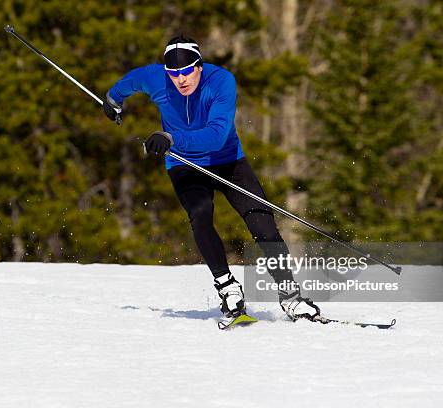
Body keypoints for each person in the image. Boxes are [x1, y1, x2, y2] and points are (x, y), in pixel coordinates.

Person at [103, 35, 319, 321]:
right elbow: (128, 84)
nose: (180, 80)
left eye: (186, 71)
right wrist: (112, 101)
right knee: (201, 215)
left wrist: (170, 138)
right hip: (183, 164)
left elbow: (217, 136)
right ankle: (228, 288)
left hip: (227, 160)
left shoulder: (221, 82)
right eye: (173, 74)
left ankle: (291, 297)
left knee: (262, 223)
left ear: (199, 66)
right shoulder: (156, 78)